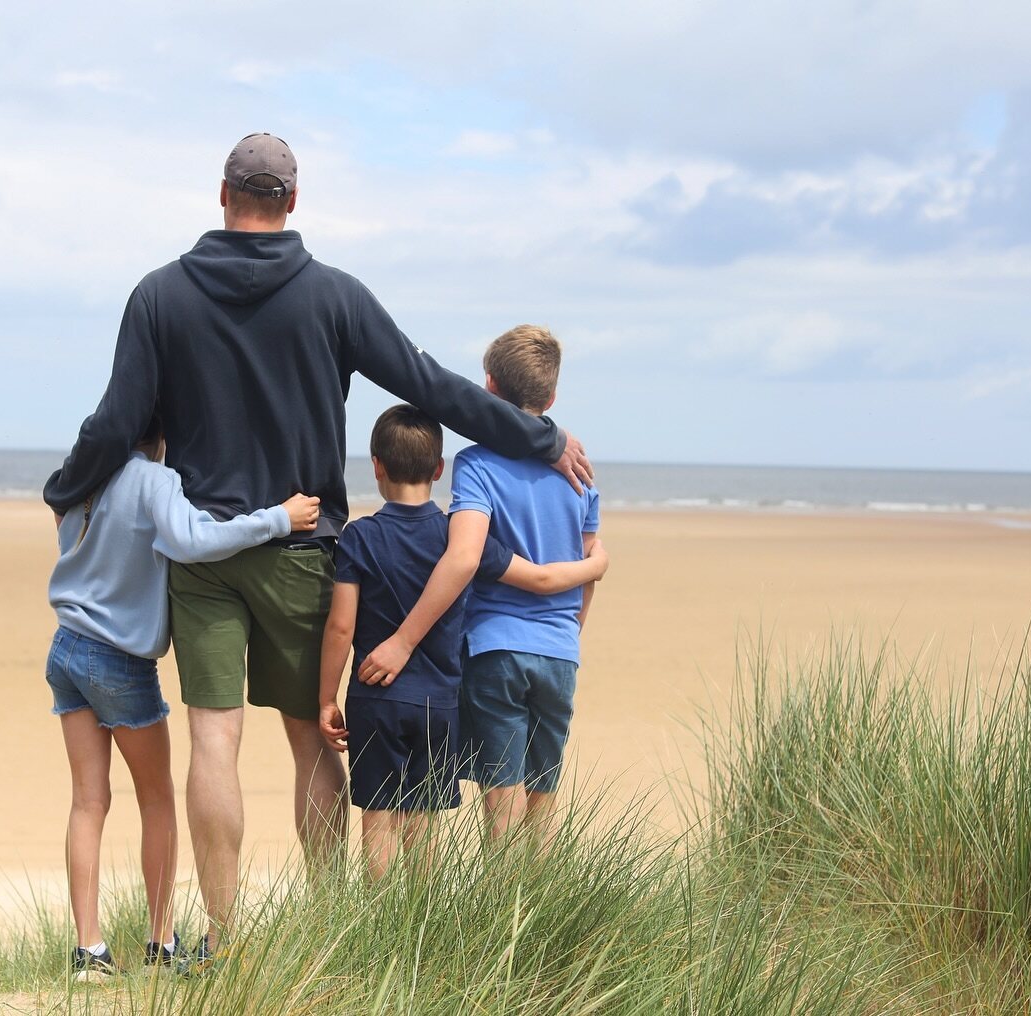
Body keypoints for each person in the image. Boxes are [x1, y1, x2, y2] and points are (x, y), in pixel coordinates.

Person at [43, 133, 593, 968]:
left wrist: (65, 487)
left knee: (214, 742)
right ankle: (333, 932)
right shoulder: (334, 296)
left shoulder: (159, 296)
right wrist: (537, 436)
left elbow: (119, 423)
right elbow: (432, 384)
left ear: (222, 194)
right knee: (310, 738)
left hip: (204, 555)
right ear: (293, 203)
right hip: (305, 547)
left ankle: (222, 944)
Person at [45, 410, 320, 979]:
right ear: (162, 433)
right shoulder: (152, 479)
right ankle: (161, 941)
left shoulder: (80, 478)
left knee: (87, 802)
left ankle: (88, 951)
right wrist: (277, 519)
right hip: (118, 660)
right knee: (157, 800)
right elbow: (194, 539)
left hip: (66, 648)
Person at [317, 405, 608, 879]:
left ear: (376, 465)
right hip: (441, 701)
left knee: (379, 819)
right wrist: (594, 567)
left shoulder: (360, 536)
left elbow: (341, 627)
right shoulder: (460, 538)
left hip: (375, 698)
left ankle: (379, 928)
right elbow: (535, 576)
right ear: (438, 469)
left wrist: (327, 697)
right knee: (425, 822)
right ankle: (421, 928)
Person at [355, 326, 599, 848]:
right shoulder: (581, 473)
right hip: (560, 652)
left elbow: (464, 557)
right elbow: (589, 565)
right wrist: (568, 633)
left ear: (486, 389)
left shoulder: (478, 464)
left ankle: (500, 921)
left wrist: (403, 640)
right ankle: (540, 915)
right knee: (544, 796)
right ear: (551, 396)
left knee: (502, 800)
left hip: (496, 650)